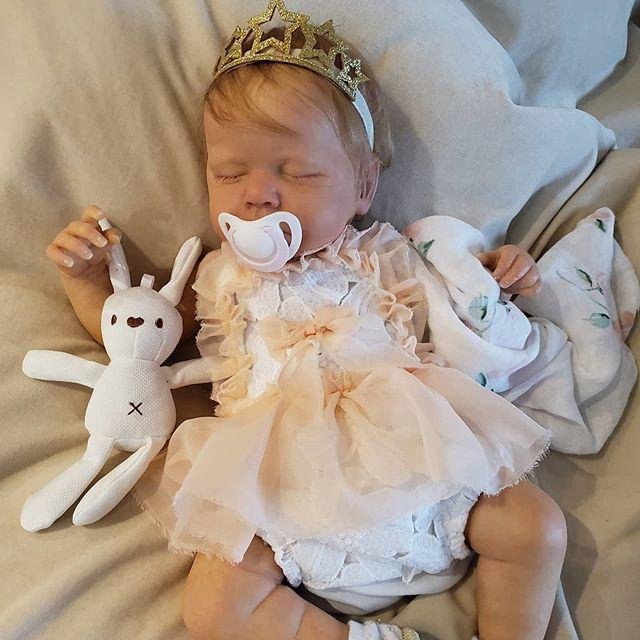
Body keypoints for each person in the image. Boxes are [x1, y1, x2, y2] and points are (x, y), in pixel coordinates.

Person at [45, 3, 566, 639]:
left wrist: (495, 276)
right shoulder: (215, 277)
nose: (258, 194)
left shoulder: (380, 253)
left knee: (535, 527)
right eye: (229, 173)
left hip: (422, 469)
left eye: (298, 173)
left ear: (364, 187)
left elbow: (461, 300)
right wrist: (87, 280)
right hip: (285, 496)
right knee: (213, 609)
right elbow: (137, 343)